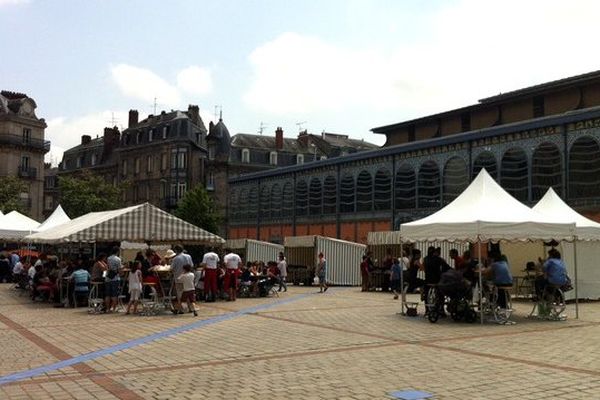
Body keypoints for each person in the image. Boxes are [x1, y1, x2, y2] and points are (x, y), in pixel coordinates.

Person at [170, 245, 193, 314]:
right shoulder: (188, 256)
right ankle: (190, 308)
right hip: (188, 278)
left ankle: (181, 309)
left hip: (179, 278)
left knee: (180, 294)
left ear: (176, 251)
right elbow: (191, 265)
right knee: (188, 293)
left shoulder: (176, 258)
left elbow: (171, 268)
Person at [105, 246, 122, 313]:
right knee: (114, 294)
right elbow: (119, 270)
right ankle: (114, 309)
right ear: (117, 251)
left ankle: (107, 309)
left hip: (108, 278)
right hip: (115, 278)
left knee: (107, 295)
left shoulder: (108, 258)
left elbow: (107, 268)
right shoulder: (118, 259)